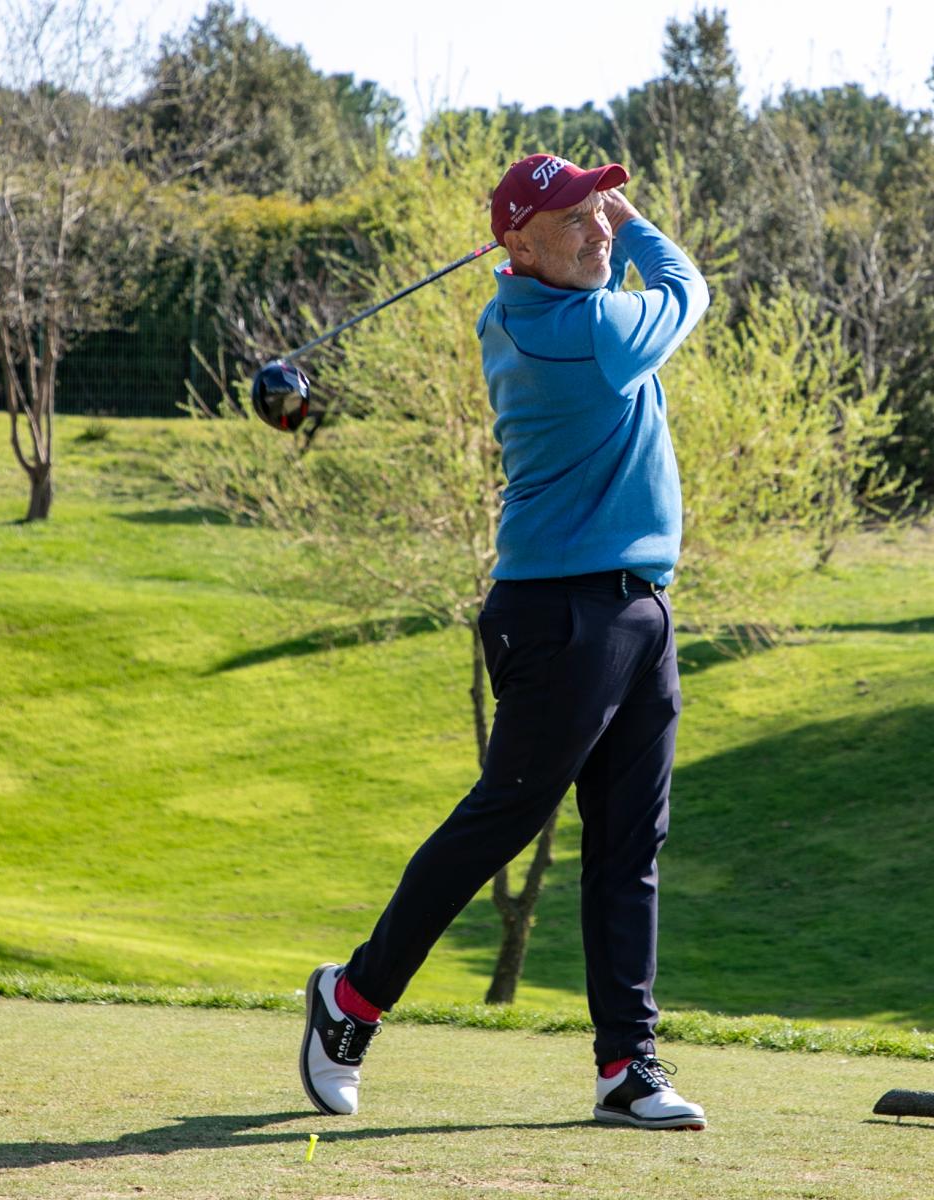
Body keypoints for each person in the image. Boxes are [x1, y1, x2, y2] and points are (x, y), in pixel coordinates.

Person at [298, 153, 709, 1131]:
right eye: (577, 220)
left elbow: (624, 278)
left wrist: (598, 219)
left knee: (629, 845)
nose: (599, 231)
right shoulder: (583, 332)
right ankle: (350, 1001)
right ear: (519, 245)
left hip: (639, 609)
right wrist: (639, 222)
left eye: (600, 212)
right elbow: (690, 290)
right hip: (563, 614)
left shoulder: (531, 309)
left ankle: (627, 1066)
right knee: (502, 822)